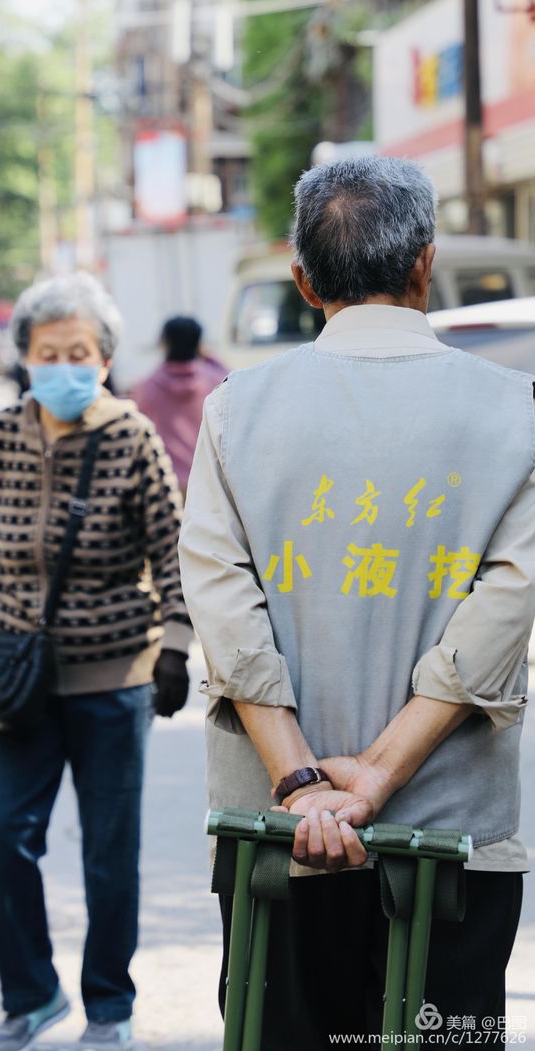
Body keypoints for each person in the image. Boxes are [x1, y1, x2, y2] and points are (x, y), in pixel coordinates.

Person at [178, 157, 535, 1048]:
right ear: (425, 264)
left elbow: (226, 612)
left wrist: (301, 781)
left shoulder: (235, 413)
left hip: (273, 840)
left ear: (303, 279)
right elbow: (503, 607)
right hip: (452, 846)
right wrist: (376, 775)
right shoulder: (516, 411)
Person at [0, 272, 192, 1051]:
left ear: (105, 358)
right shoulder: (5, 430)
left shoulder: (132, 434)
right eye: (48, 353)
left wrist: (177, 646)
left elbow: (173, 549)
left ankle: (109, 1006)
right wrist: (23, 550)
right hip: (24, 676)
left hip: (115, 677)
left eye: (78, 352)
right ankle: (33, 993)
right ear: (23, 356)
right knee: (1, 830)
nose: (64, 365)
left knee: (109, 852)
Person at [133, 316, 226, 495]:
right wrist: (210, 356)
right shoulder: (214, 381)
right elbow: (232, 377)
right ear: (199, 344)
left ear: (164, 343)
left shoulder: (149, 387)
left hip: (166, 482)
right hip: (207, 481)